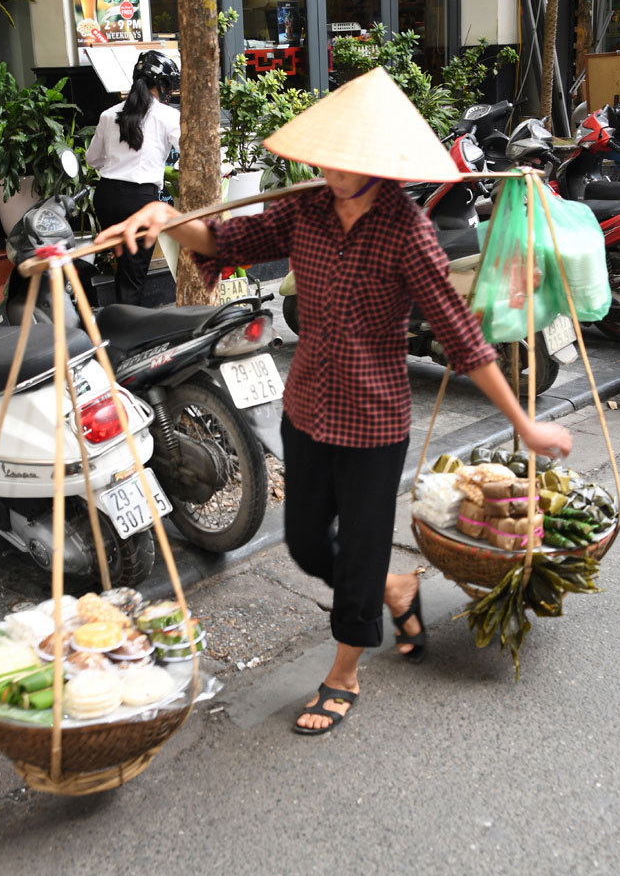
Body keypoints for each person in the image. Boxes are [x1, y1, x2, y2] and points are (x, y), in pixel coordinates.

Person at [94, 67, 573, 736]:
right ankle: (392, 586)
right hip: (308, 408)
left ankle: (345, 671)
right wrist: (167, 219)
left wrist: (524, 422)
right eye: (327, 157)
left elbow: (463, 339)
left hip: (375, 421)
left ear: (379, 162)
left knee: (361, 550)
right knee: (306, 544)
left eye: (347, 161)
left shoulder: (407, 232)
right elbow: (227, 241)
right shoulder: (306, 209)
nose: (331, 170)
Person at [85, 50, 181, 306]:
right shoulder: (167, 116)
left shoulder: (109, 115)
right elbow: (190, 152)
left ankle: (120, 317)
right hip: (139, 201)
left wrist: (117, 162)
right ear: (161, 85)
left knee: (125, 267)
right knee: (133, 276)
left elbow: (92, 159)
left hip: (106, 198)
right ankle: (127, 325)